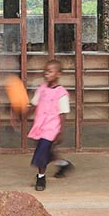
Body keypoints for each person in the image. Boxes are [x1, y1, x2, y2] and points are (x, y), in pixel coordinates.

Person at [25, 58, 73, 191]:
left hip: (52, 128)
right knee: (46, 150)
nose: (47, 74)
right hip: (40, 125)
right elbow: (33, 106)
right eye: (45, 71)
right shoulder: (41, 89)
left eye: (50, 71)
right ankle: (63, 164)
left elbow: (63, 113)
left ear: (58, 74)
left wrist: (60, 132)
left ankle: (41, 177)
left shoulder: (61, 93)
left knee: (42, 151)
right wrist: (22, 114)